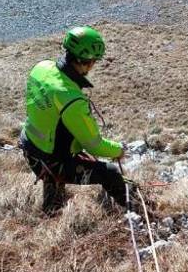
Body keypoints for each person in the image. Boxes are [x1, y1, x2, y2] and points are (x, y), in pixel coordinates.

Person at [19, 26, 128, 215]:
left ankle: (51, 211)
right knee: (110, 173)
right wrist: (119, 150)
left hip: (30, 146)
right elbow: (95, 145)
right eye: (94, 61)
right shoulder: (71, 99)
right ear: (85, 62)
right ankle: (141, 213)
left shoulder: (41, 67)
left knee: (54, 182)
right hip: (50, 158)